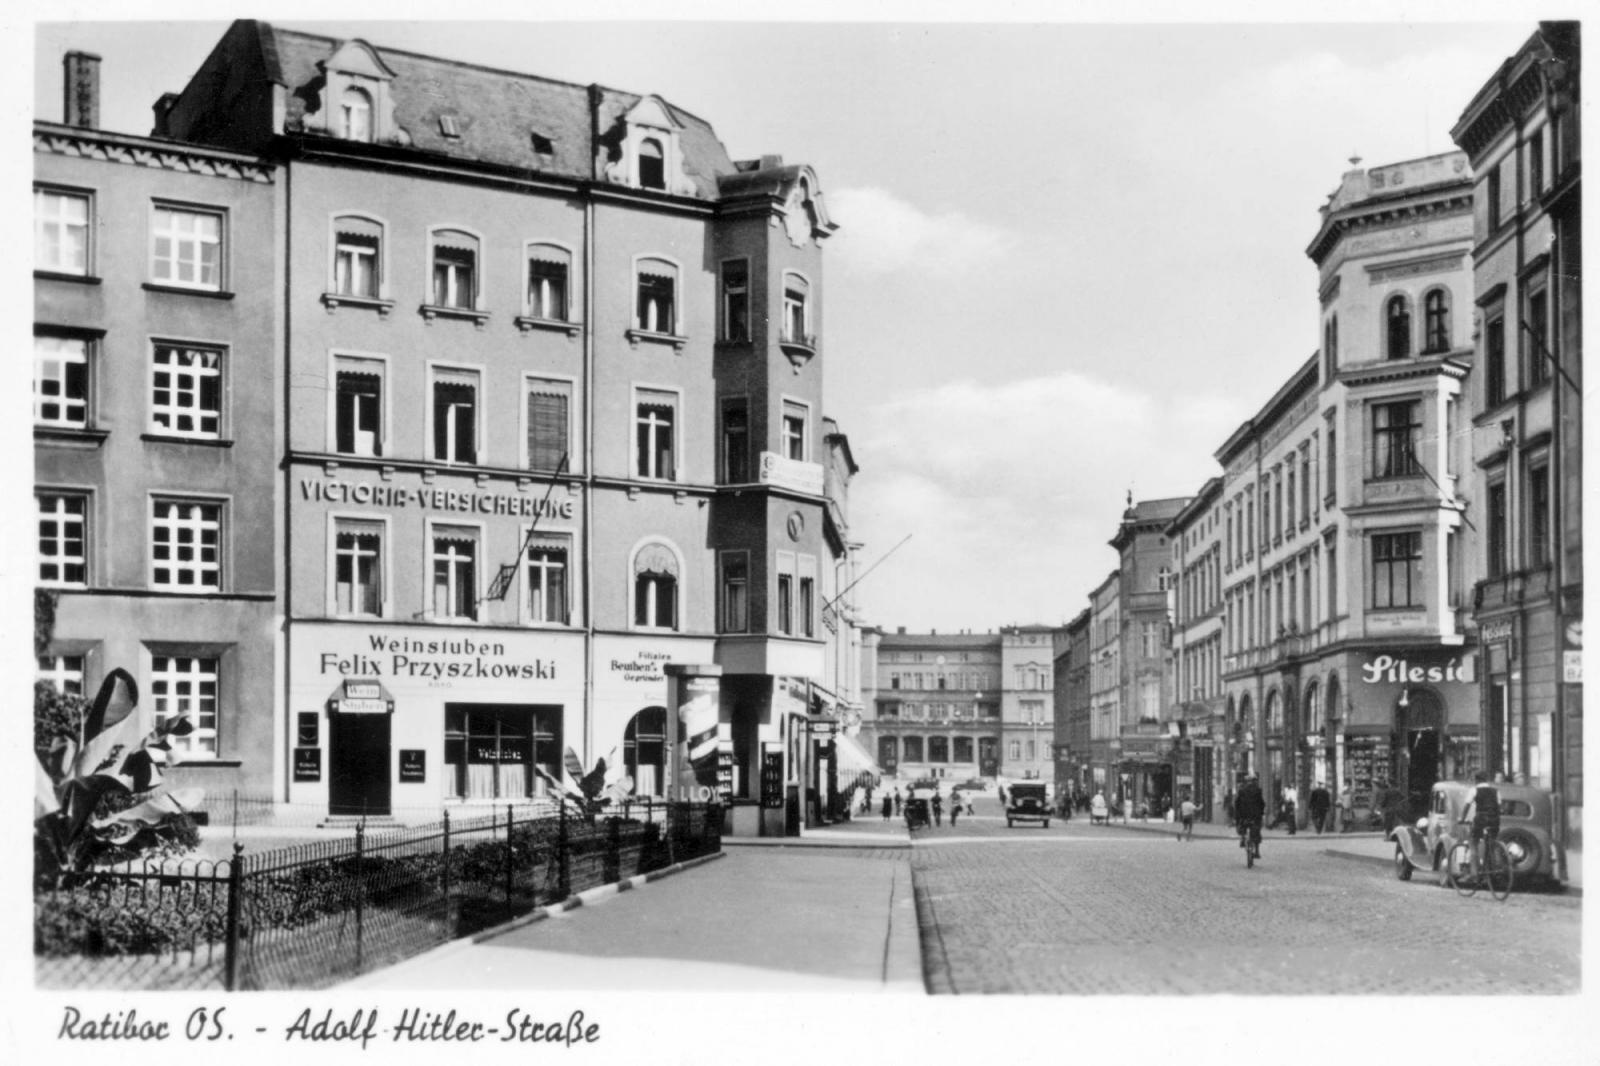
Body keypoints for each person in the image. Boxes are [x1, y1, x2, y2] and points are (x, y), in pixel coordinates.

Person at [1463, 771, 1501, 877]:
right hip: (1494, 820)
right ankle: (1495, 867)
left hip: (1481, 819)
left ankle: (1474, 873)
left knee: (1473, 842)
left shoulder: (1474, 790)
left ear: (1476, 780)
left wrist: (1462, 818)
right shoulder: (1495, 791)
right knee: (1492, 843)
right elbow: (1499, 806)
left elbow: (1467, 806)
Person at [1234, 775, 1266, 861]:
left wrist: (1237, 814)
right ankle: (1257, 851)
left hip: (1244, 814)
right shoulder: (1258, 790)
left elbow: (1237, 803)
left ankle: (1242, 838)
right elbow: (1262, 803)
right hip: (1255, 815)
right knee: (1257, 830)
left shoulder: (1242, 790)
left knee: (1241, 824)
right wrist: (1261, 812)